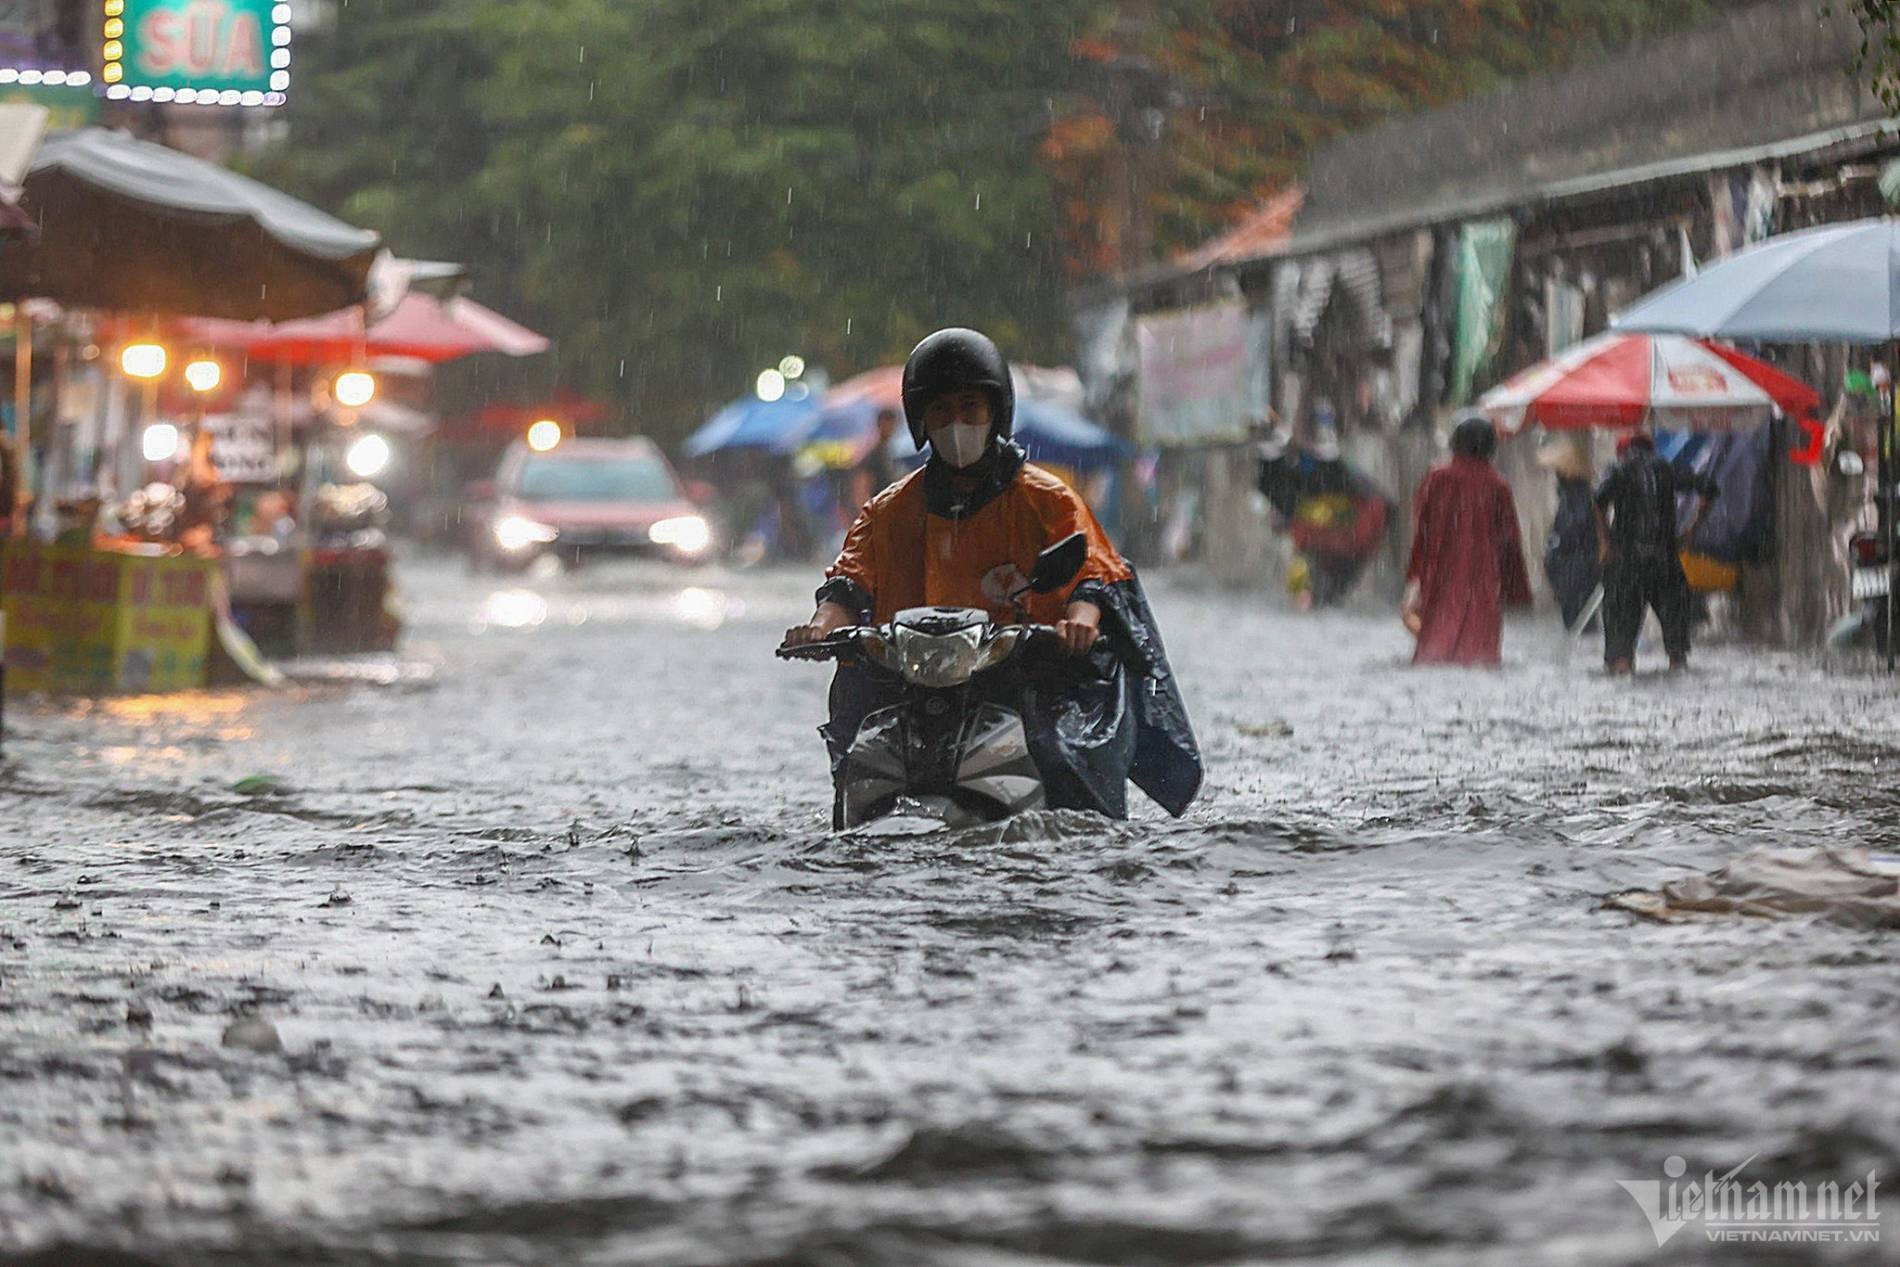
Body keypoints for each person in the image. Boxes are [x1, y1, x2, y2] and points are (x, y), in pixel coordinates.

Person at [782, 327, 1201, 819]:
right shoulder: (888, 510)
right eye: (940, 411)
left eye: (969, 408)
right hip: (910, 683)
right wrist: (820, 626)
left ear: (995, 411)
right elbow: (848, 583)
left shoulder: (1049, 500)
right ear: (920, 420)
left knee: (1060, 758)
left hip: (1026, 678)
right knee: (856, 748)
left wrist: (1080, 622)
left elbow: (1092, 573)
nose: (955, 424)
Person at [1402, 413, 1533, 666]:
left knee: (1436, 644)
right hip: (1483, 576)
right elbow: (1510, 541)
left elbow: (1421, 529)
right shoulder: (1498, 485)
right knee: (1479, 650)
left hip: (1441, 570)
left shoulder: (1437, 477)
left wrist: (1415, 574)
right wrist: (1516, 589)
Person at [1593, 431, 1718, 674]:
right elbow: (1709, 488)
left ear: (1624, 452)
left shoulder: (1619, 468)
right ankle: (1675, 666)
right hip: (1666, 565)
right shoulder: (1667, 468)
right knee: (1677, 651)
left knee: (1620, 653)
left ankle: (1624, 674)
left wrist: (1605, 542)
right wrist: (1690, 531)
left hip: (1626, 568)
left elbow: (1598, 500)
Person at [1537, 435, 1601, 630]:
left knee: (1578, 619)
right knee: (1577, 618)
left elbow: (1572, 529)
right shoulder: (1572, 495)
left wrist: (1557, 551)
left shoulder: (1577, 496)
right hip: (1574, 564)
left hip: (1577, 565)